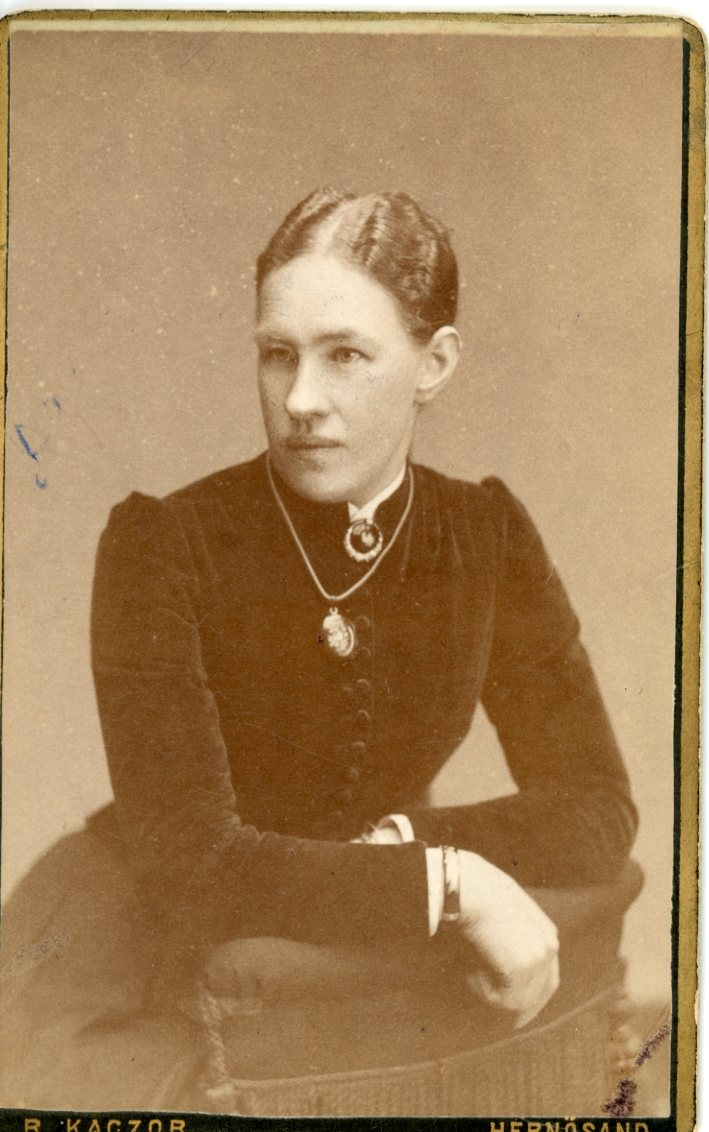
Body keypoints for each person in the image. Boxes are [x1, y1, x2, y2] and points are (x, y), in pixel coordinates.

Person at [0, 188, 639, 1114]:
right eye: (277, 354)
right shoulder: (163, 544)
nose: (300, 400)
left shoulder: (485, 534)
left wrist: (412, 843)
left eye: (344, 355)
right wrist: (450, 884)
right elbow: (193, 859)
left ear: (433, 363)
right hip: (128, 956)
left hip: (341, 936)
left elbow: (596, 805)